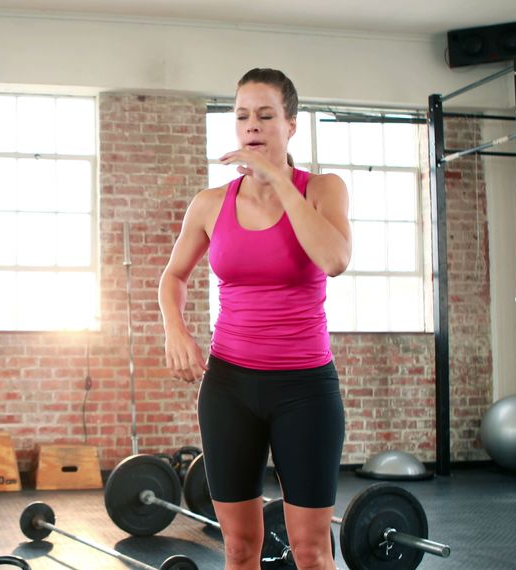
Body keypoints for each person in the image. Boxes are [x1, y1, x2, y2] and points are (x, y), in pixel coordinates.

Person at [158, 68, 352, 570]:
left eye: (266, 115)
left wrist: (280, 181)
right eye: (243, 116)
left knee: (311, 552)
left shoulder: (322, 189)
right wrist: (175, 329)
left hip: (305, 390)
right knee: (241, 549)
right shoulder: (209, 204)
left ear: (291, 126)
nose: (253, 126)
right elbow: (173, 277)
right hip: (229, 389)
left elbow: (334, 259)